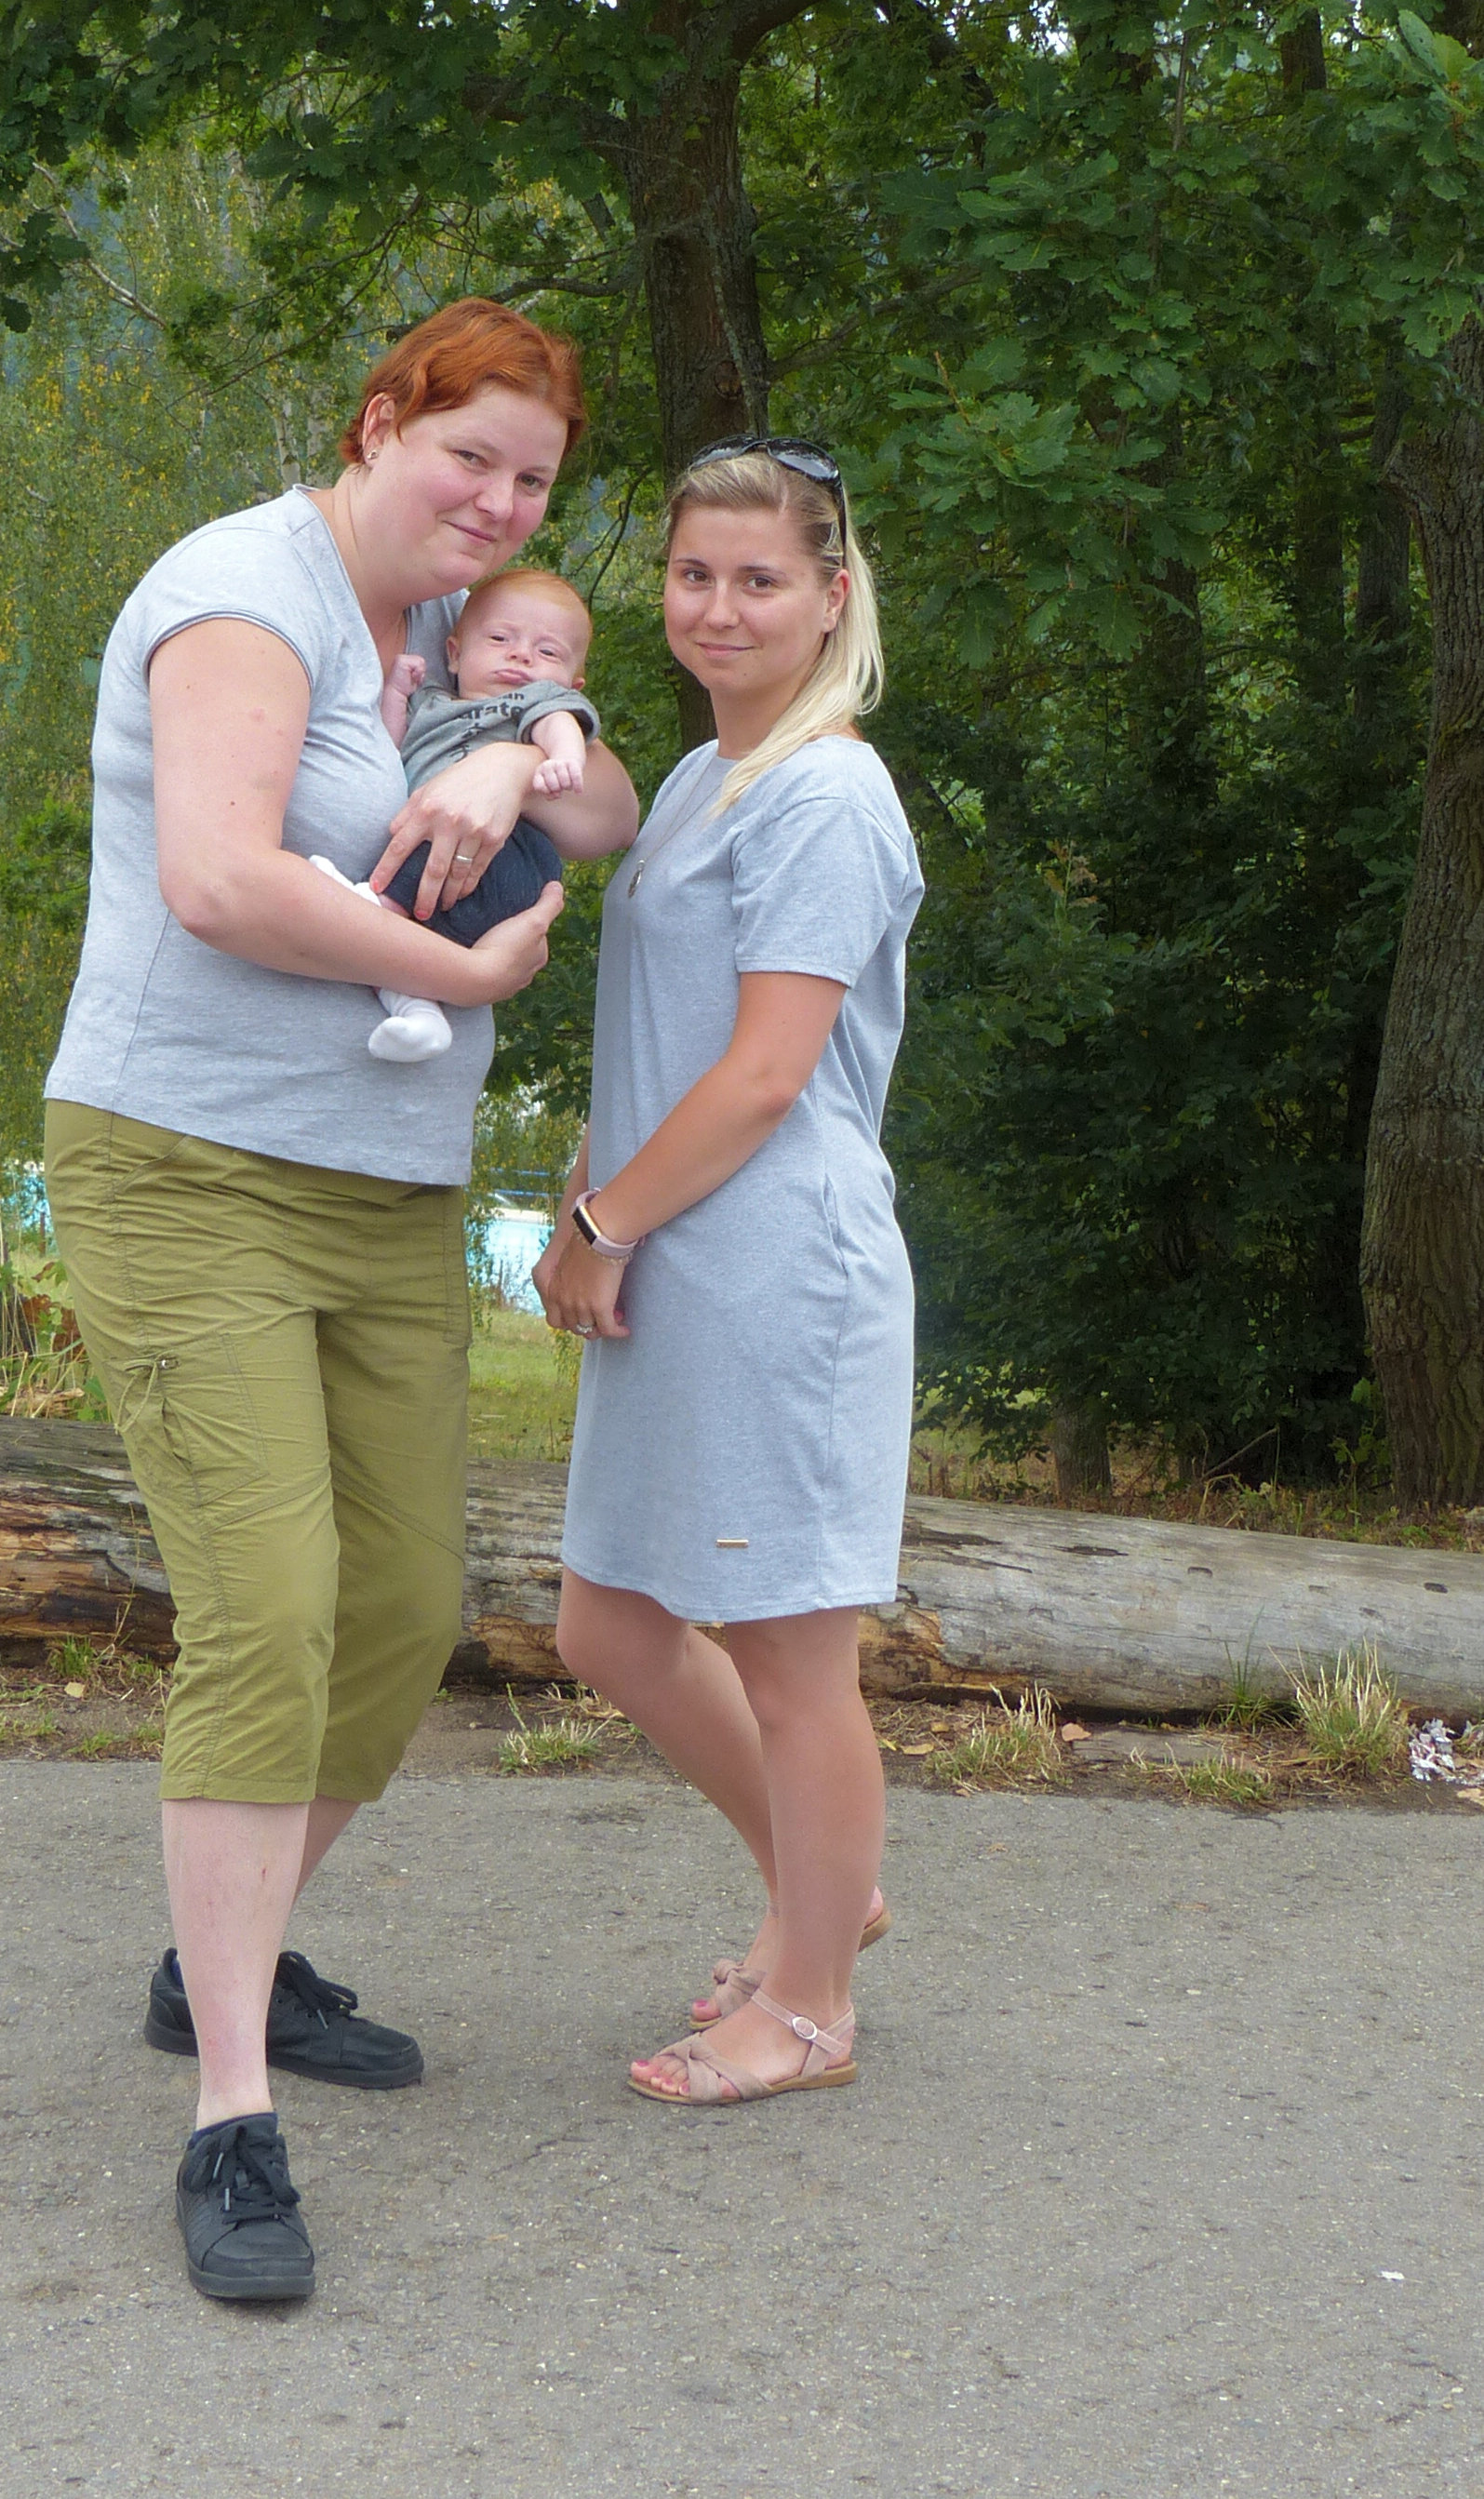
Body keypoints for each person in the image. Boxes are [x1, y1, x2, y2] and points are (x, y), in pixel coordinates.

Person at [43, 297, 638, 2299]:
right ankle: (229, 2112)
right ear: (378, 422)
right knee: (269, 1610)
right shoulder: (243, 593)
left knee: (394, 1609)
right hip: (186, 1159)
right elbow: (217, 878)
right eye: (467, 453)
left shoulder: (455, 638)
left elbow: (608, 818)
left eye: (532, 477)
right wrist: (459, 972)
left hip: (387, 1191)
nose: (497, 499)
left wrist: (524, 758)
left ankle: (218, 1948)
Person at [536, 436, 923, 2108]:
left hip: (775, 1273)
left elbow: (768, 1071)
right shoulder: (706, 775)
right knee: (609, 1623)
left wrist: (604, 1225)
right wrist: (590, 1183)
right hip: (670, 1251)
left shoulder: (826, 792)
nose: (718, 606)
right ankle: (826, 1891)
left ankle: (810, 2002)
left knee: (786, 1656)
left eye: (759, 578)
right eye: (692, 573)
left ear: (829, 596)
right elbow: (665, 1025)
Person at [315, 568, 599, 1062]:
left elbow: (559, 725)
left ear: (572, 685)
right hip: (455, 880)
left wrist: (563, 759)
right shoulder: (432, 704)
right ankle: (420, 1015)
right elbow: (390, 750)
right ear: (454, 653)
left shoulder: (530, 702)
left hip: (505, 858)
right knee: (404, 950)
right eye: (500, 639)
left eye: (548, 652)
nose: (521, 655)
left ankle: (364, 905)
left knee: (429, 846)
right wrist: (395, 697)